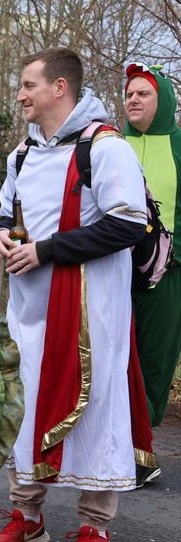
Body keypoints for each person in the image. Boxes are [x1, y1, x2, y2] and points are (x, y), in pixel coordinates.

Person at [0, 47, 148, 542]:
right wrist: (1, 237)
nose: (20, 94)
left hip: (89, 313)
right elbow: (7, 210)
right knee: (26, 403)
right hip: (30, 308)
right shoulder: (22, 154)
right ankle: (27, 517)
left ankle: (96, 529)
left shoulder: (105, 147)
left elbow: (128, 223)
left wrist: (47, 249)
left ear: (60, 88)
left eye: (29, 85)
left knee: (96, 405)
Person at [124, 62, 177, 485]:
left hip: (167, 274)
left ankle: (139, 445)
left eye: (144, 93)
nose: (134, 100)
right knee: (115, 357)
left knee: (154, 361)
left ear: (162, 102)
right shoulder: (111, 143)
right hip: (115, 268)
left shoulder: (178, 144)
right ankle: (127, 447)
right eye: (129, 94)